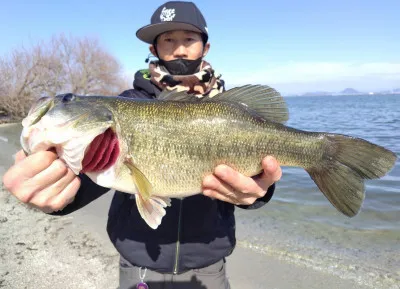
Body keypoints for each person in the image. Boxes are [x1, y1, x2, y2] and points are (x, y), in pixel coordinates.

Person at [2, 1, 282, 288]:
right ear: (153, 49)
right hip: (138, 267)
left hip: (210, 266)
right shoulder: (128, 103)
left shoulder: (233, 109)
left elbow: (258, 178)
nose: (179, 48)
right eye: (168, 39)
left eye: (189, 39)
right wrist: (53, 194)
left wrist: (260, 191)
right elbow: (89, 179)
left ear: (205, 48)